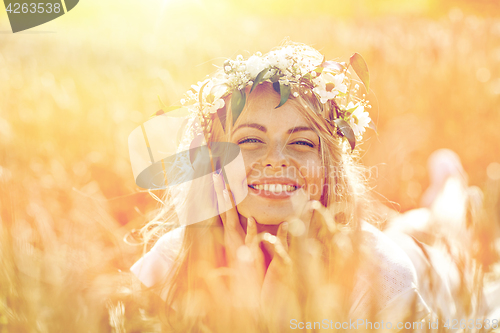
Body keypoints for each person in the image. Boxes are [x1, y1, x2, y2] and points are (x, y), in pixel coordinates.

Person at [128, 42, 430, 332]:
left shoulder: (380, 278)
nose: (275, 160)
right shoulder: (171, 262)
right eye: (249, 140)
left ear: (328, 166)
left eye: (301, 142)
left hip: (426, 267)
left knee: (430, 231)